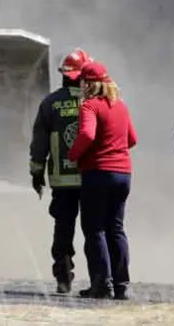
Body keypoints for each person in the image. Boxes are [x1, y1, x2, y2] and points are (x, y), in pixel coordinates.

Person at [67, 61, 137, 300]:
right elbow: (132, 139)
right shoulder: (122, 107)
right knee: (116, 228)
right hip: (123, 174)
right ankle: (121, 285)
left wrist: (74, 154)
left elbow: (87, 134)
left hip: (98, 173)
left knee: (94, 228)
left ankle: (101, 284)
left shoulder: (89, 106)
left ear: (88, 83)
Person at [29, 47, 94, 294]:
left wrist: (36, 173)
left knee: (63, 229)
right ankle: (101, 279)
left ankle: (63, 277)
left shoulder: (51, 103)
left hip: (62, 180)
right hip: (92, 178)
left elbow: (39, 144)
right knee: (94, 230)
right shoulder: (95, 101)